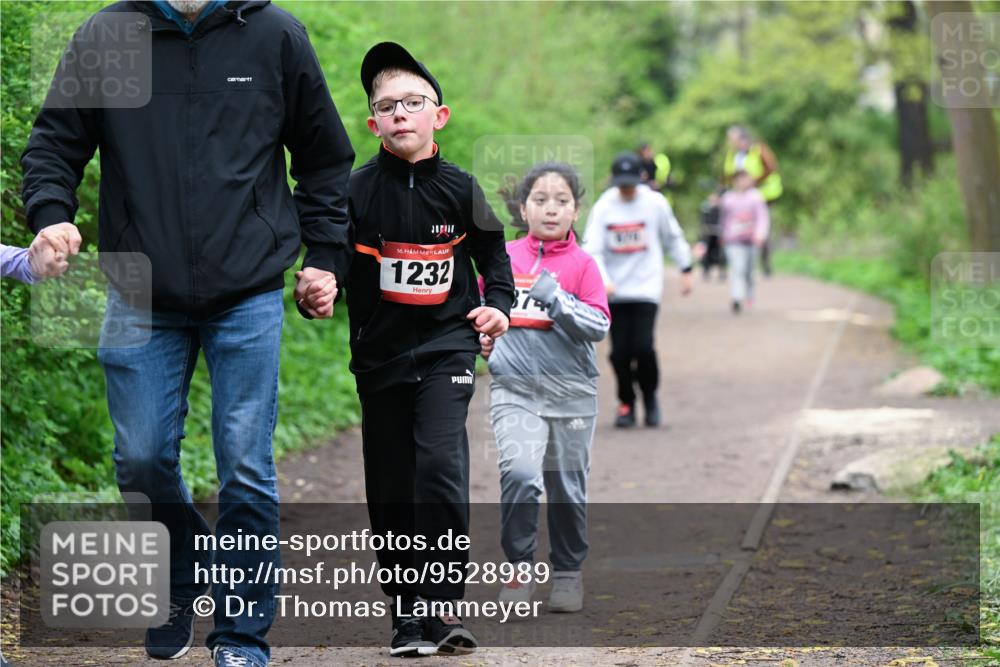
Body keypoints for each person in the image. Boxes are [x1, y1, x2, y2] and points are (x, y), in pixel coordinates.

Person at [19, 1, 355, 665]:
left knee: (246, 465)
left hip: (248, 285)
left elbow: (323, 158)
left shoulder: (274, 35)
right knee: (140, 459)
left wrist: (324, 255)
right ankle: (184, 567)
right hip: (139, 285)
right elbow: (55, 142)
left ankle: (240, 634)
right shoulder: (109, 35)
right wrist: (52, 214)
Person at [346, 42, 515, 658]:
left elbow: (494, 256)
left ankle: (443, 606)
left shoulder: (461, 188)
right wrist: (319, 284)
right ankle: (406, 612)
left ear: (438, 116)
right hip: (380, 357)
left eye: (413, 102)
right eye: (386, 106)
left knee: (439, 467)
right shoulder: (356, 191)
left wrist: (498, 304)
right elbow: (329, 259)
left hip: (448, 349)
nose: (400, 113)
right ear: (374, 124)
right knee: (392, 481)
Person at [479, 162, 609, 614]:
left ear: (576, 211)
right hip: (515, 390)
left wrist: (558, 300)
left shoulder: (583, 265)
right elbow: (478, 309)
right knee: (519, 473)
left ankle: (568, 574)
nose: (550, 209)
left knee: (566, 485)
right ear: (523, 208)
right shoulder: (503, 258)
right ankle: (519, 570)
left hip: (573, 394)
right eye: (540, 199)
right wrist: (481, 337)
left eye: (561, 201)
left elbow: (599, 325)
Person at [583, 153, 693, 429]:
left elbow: (672, 236)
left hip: (646, 287)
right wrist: (603, 279)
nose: (627, 189)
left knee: (643, 348)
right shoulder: (604, 206)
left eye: (631, 184)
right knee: (619, 353)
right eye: (622, 184)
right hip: (614, 291)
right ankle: (626, 402)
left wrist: (685, 267)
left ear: (642, 178)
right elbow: (592, 248)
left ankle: (650, 397)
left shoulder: (655, 203)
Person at [722, 125, 782, 276]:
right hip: (741, 196)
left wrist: (755, 181)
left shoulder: (758, 149)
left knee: (761, 226)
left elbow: (771, 167)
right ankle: (740, 261)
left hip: (763, 194)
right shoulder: (733, 154)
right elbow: (729, 174)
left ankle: (765, 263)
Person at [719, 170, 770, 314]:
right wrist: (723, 235)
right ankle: (737, 297)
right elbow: (723, 219)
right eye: (740, 179)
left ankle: (749, 295)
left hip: (752, 240)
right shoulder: (728, 198)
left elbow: (762, 217)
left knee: (749, 271)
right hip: (733, 241)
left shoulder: (756, 197)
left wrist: (760, 235)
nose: (743, 182)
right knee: (737, 268)